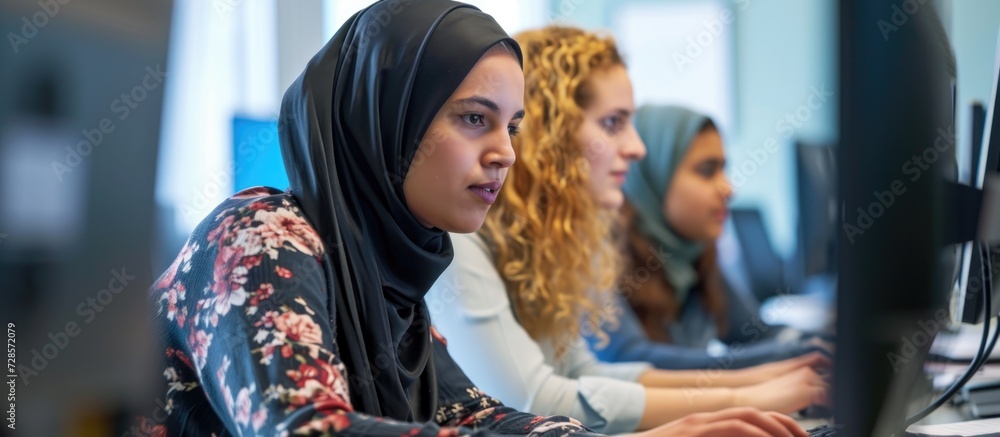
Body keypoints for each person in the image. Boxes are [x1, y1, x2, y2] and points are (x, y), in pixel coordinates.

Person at [142, 2, 805, 436]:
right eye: (473, 118)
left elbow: (475, 411)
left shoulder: (388, 277)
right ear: (387, 118)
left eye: (512, 126)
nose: (506, 152)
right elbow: (308, 429)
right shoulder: (261, 236)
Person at [426, 26, 827, 435]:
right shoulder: (462, 237)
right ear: (553, 135)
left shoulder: (558, 244)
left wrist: (755, 387)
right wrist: (743, 397)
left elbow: (585, 372)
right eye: (614, 123)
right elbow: (533, 400)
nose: (637, 148)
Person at [585, 105, 830, 370]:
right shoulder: (599, 256)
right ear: (653, 176)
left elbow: (756, 334)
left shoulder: (693, 252)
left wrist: (827, 342)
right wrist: (803, 354)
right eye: (707, 170)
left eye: (724, 169)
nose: (728, 188)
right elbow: (630, 358)